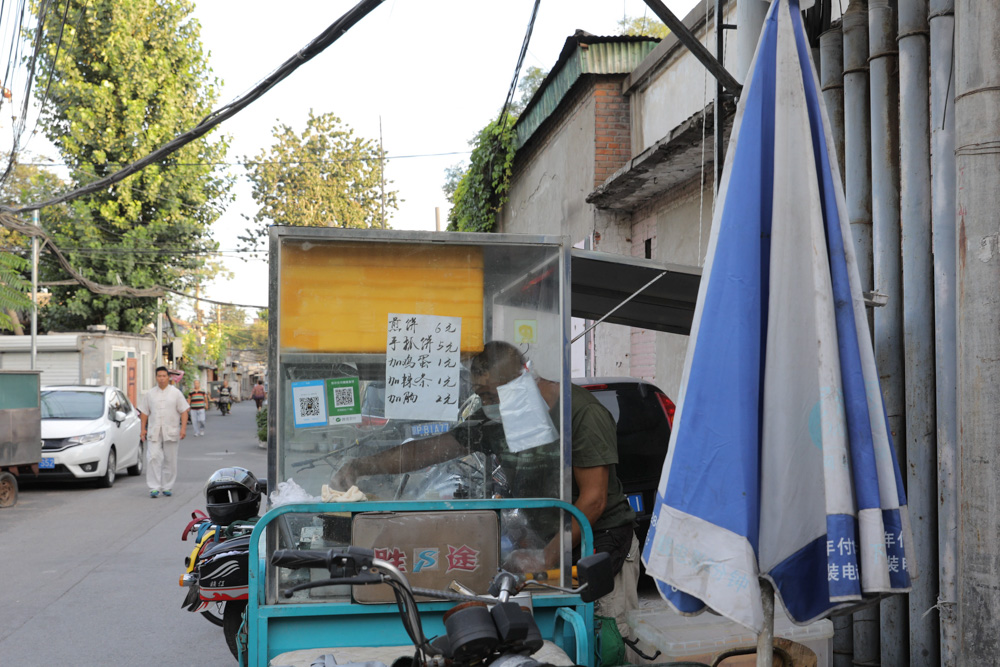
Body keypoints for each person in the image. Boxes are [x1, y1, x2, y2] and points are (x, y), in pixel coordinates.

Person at [332, 341, 639, 644]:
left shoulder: (580, 412)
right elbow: (432, 449)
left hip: (600, 544)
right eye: (480, 394)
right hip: (552, 545)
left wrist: (545, 556)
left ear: (519, 380)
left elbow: (594, 500)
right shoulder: (500, 417)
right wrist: (361, 466)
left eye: (489, 394)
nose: (485, 403)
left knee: (604, 641)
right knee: (556, 639)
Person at [138, 366, 189, 498]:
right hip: (154, 431)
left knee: (170, 459)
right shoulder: (150, 394)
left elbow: (184, 411)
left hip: (171, 431)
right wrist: (142, 429)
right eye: (159, 376)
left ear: (168, 377)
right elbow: (144, 412)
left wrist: (183, 428)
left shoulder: (176, 393)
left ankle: (167, 486)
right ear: (156, 377)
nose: (161, 378)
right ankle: (154, 487)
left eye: (164, 376)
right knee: (153, 457)